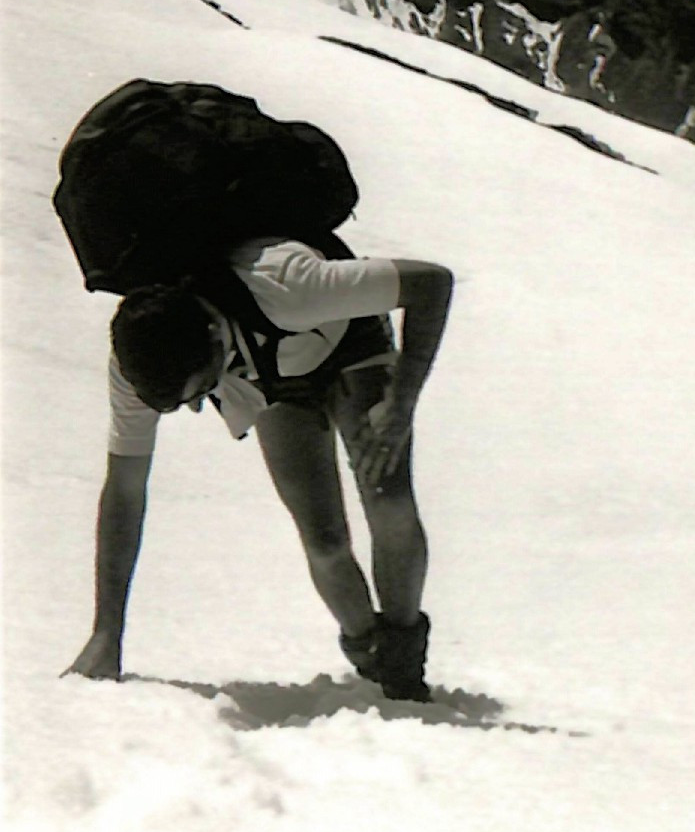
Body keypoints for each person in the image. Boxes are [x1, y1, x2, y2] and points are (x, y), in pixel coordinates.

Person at [63, 234, 455, 701]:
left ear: (211, 341)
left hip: (349, 341)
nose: (192, 409)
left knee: (387, 498)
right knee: (324, 539)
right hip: (270, 374)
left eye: (198, 393)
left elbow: (432, 282)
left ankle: (403, 663)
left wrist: (402, 399)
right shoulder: (139, 363)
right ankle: (369, 651)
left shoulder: (292, 287)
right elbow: (126, 488)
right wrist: (107, 632)